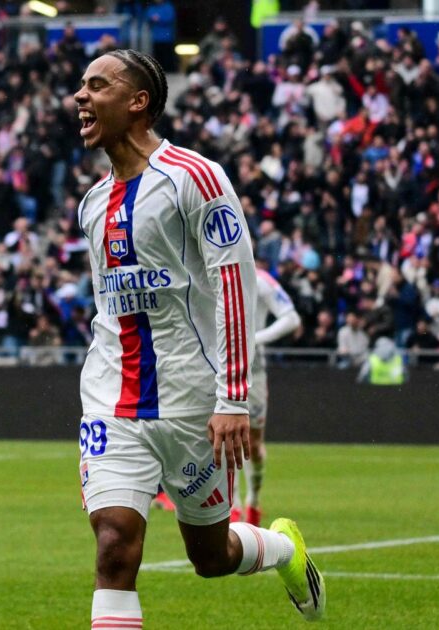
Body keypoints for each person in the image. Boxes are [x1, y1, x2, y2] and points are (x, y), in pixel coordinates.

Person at [73, 49, 324, 628]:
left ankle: (284, 549)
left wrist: (232, 399)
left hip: (192, 401)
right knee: (114, 545)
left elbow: (236, 283)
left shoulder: (195, 178)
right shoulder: (91, 205)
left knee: (210, 557)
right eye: (81, 86)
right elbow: (107, 308)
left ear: (139, 102)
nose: (80, 96)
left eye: (97, 85)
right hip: (113, 400)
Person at [231, 263, 300, 526]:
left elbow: (291, 317)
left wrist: (255, 339)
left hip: (253, 370)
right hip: (218, 366)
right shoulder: (206, 272)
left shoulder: (259, 280)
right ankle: (233, 505)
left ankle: (254, 501)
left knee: (254, 444)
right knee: (225, 436)